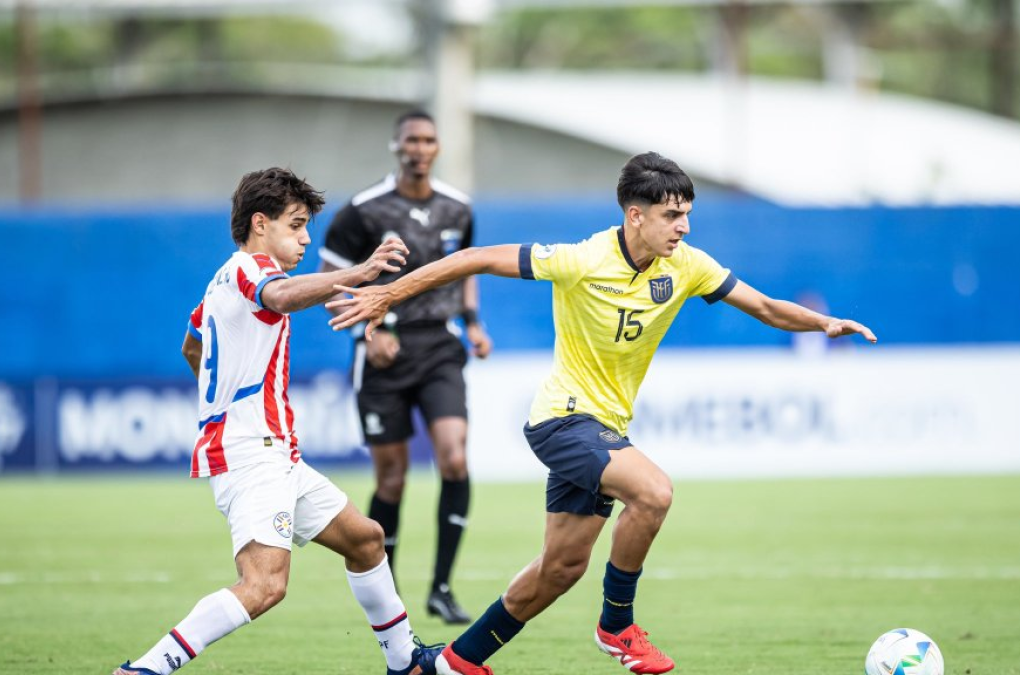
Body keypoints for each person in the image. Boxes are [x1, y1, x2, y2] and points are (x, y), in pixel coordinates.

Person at [325, 152, 877, 675]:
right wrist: (387, 296)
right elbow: (474, 258)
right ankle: (617, 626)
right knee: (654, 492)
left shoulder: (686, 266)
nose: (683, 227)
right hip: (562, 421)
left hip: (603, 429)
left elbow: (763, 307)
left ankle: (452, 663)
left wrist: (822, 324)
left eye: (687, 215)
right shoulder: (582, 260)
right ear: (635, 216)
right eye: (672, 216)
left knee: (559, 570)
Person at [112, 168, 443, 675]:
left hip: (277, 454)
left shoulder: (221, 282)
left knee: (367, 540)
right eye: (297, 225)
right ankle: (146, 670)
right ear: (260, 224)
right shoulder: (249, 269)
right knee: (265, 585)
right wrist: (360, 271)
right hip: (251, 454)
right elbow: (282, 297)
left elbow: (192, 344)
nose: (306, 237)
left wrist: (218, 399)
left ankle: (404, 662)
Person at [319, 110, 490, 624]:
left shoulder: (458, 208)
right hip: (382, 354)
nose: (420, 148)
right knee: (391, 478)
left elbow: (466, 270)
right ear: (396, 146)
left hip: (440, 347)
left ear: (438, 148)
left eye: (429, 140)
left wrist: (473, 322)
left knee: (454, 459)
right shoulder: (363, 211)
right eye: (411, 140)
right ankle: (386, 596)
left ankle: (441, 587)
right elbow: (329, 281)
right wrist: (364, 333)